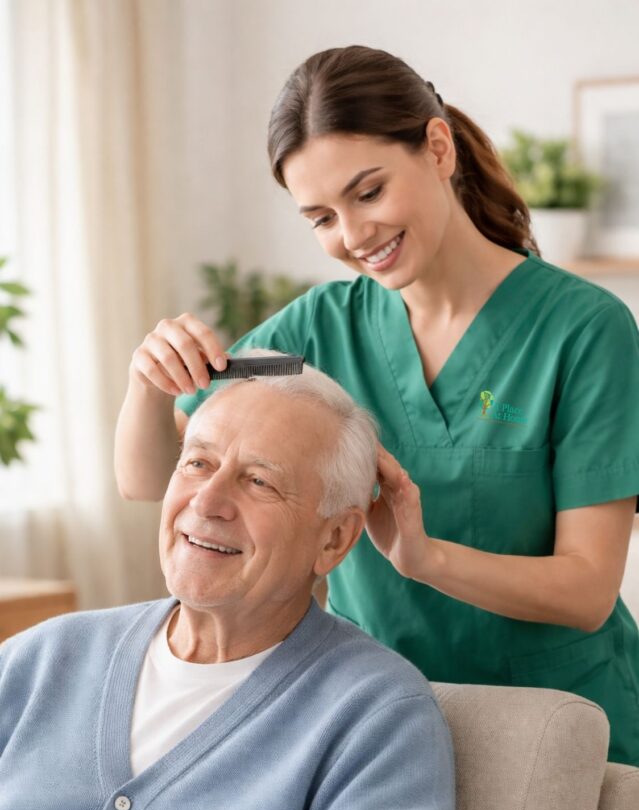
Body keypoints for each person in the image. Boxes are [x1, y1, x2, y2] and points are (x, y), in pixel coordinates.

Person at [114, 45, 639, 767]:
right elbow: (149, 479)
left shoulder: (584, 331)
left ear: (436, 147)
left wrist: (424, 559)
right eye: (321, 217)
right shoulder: (312, 332)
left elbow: (585, 590)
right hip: (383, 724)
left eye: (368, 193)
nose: (354, 236)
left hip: (564, 734)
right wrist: (147, 381)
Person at [0, 359, 461, 810]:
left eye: (257, 481)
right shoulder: (48, 654)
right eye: (196, 463)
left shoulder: (372, 707)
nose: (207, 501)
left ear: (333, 538)